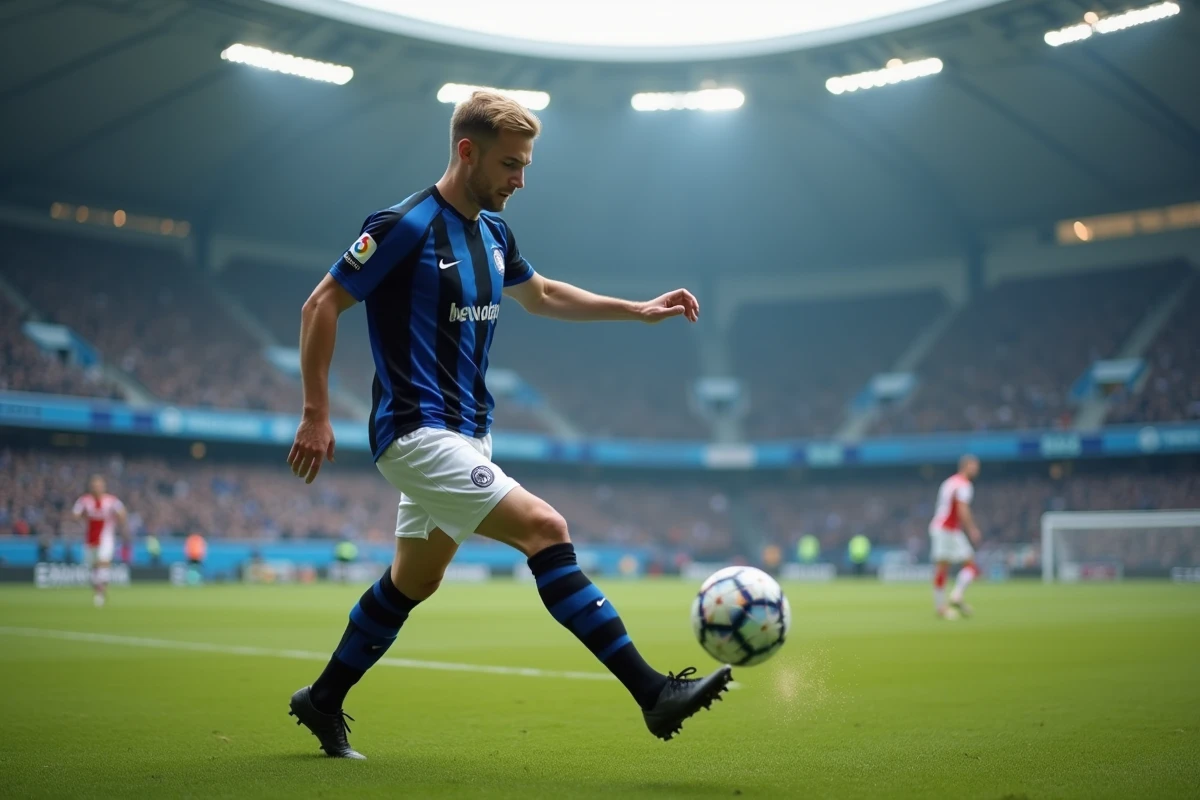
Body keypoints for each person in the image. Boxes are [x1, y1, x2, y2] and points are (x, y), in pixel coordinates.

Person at [286, 90, 728, 759]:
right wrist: (316, 412)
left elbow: (544, 295)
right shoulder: (403, 225)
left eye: (525, 165)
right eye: (510, 165)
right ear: (467, 152)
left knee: (416, 580)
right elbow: (320, 304)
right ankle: (652, 692)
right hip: (415, 430)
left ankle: (321, 700)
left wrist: (638, 311)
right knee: (546, 530)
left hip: (470, 432)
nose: (520, 180)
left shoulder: (494, 234)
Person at [930, 455, 982, 618]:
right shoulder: (964, 485)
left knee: (947, 566)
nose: (976, 469)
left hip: (942, 527)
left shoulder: (949, 482)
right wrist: (972, 529)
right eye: (973, 466)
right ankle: (952, 598)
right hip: (948, 529)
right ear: (965, 466)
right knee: (968, 564)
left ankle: (947, 602)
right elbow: (962, 508)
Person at [71, 475, 126, 607]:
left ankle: (100, 594)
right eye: (95, 485)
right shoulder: (84, 500)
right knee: (94, 568)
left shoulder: (111, 500)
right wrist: (81, 518)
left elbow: (122, 512)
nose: (97, 488)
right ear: (91, 487)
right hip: (89, 539)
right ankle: (100, 589)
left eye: (99, 485)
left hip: (106, 538)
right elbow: (75, 514)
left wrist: (120, 521)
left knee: (103, 561)